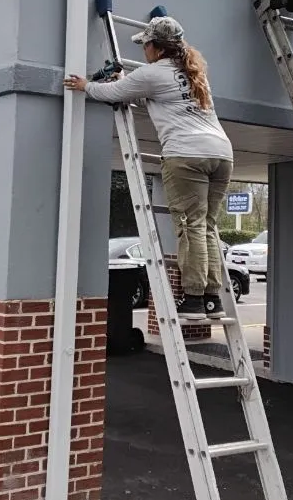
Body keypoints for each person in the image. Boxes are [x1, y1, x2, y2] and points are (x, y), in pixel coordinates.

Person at [63, 16, 234, 321]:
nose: (143, 50)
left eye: (145, 45)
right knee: (205, 225)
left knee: (189, 225)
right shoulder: (193, 73)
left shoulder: (153, 73)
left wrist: (85, 86)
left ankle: (193, 300)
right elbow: (155, 97)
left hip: (186, 155)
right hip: (221, 154)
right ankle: (211, 300)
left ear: (156, 47)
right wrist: (127, 84)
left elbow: (114, 95)